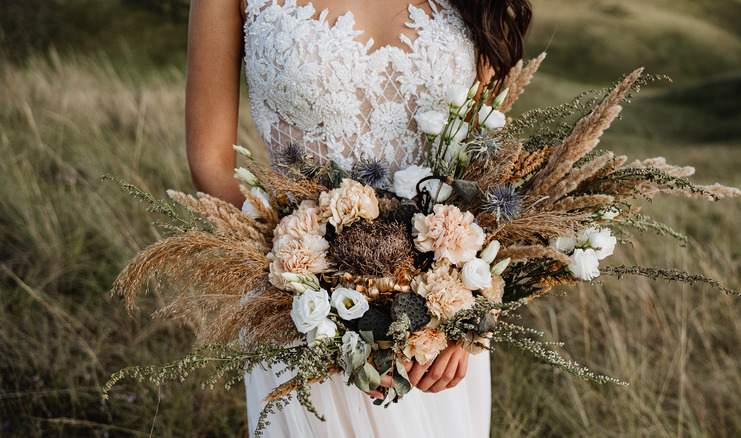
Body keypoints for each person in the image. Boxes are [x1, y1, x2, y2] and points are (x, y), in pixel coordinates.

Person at [185, 0, 532, 436]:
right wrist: (306, 288)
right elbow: (211, 161)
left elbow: (484, 159)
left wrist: (468, 316)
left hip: (439, 330)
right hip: (300, 312)